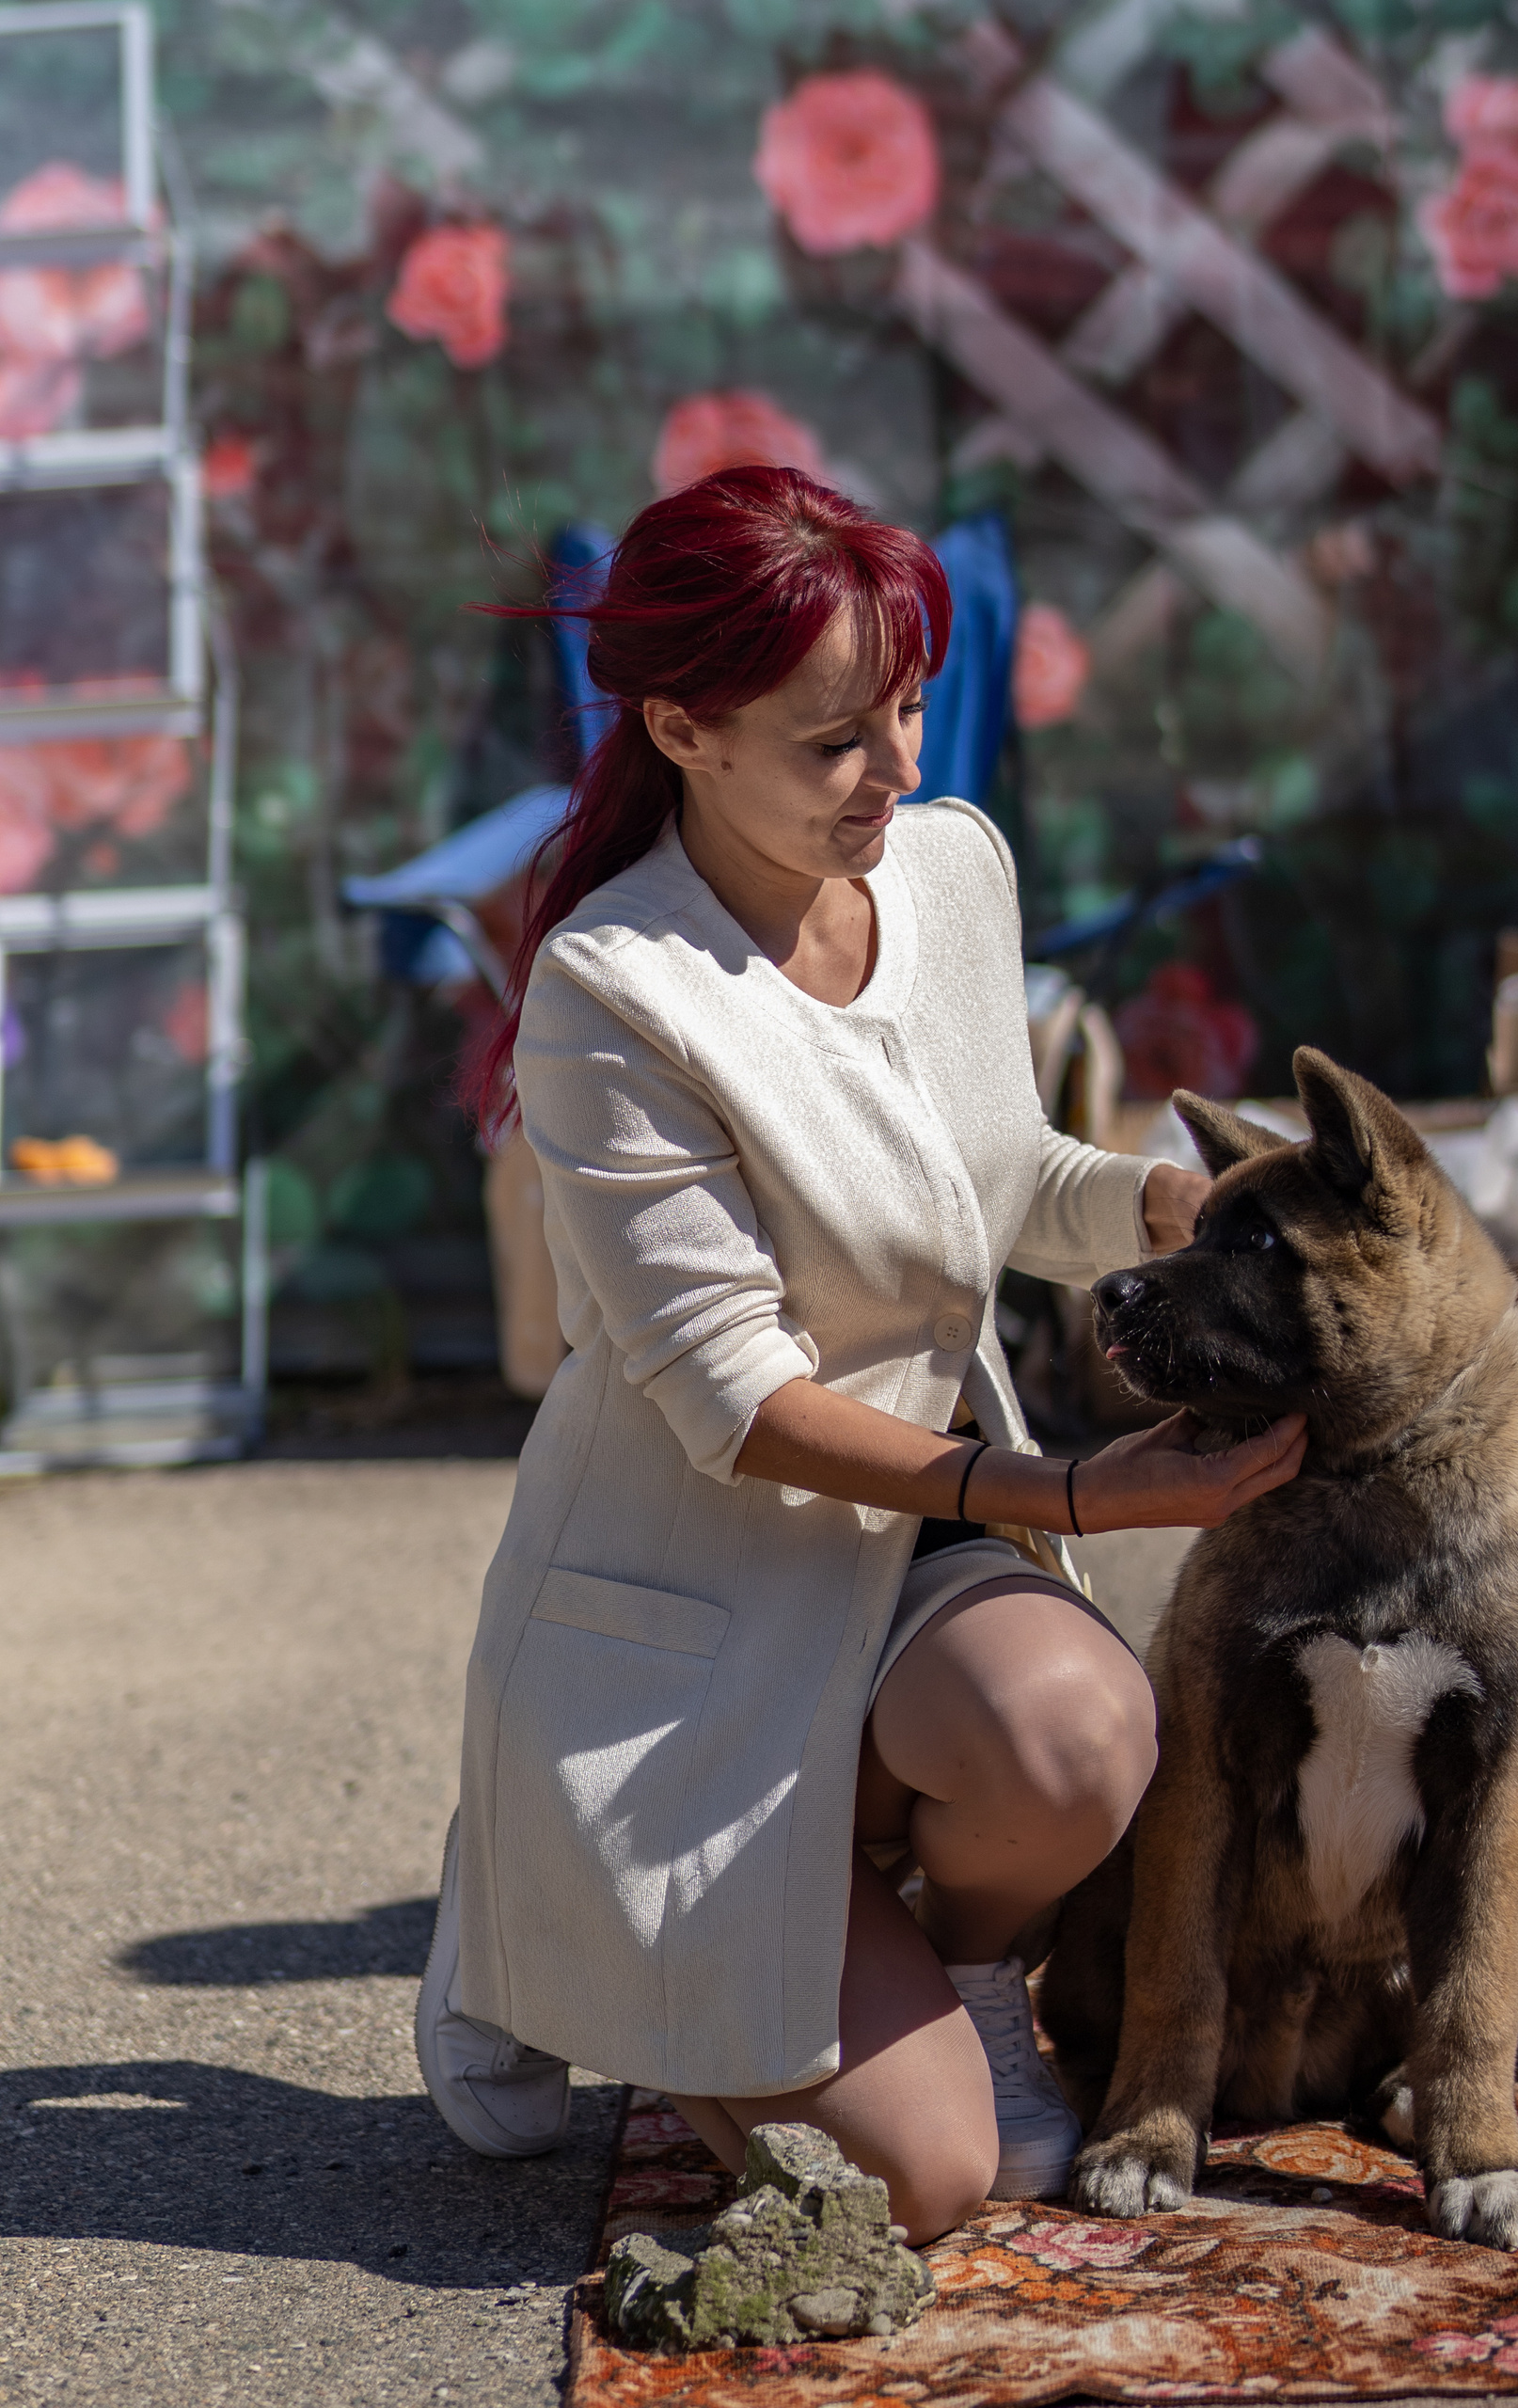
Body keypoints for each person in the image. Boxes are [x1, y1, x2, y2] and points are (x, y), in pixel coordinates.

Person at [411, 467, 1307, 2240]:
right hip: (686, 1620)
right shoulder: (612, 988)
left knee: (1078, 1736)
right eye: (836, 741)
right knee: (938, 2180)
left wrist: (1165, 1204)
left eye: (906, 709)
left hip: (903, 1562)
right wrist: (1070, 1494)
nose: (896, 770)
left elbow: (998, 1171)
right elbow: (738, 1401)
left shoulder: (949, 867)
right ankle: (540, 1899)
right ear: (682, 729)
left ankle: (912, 1956)